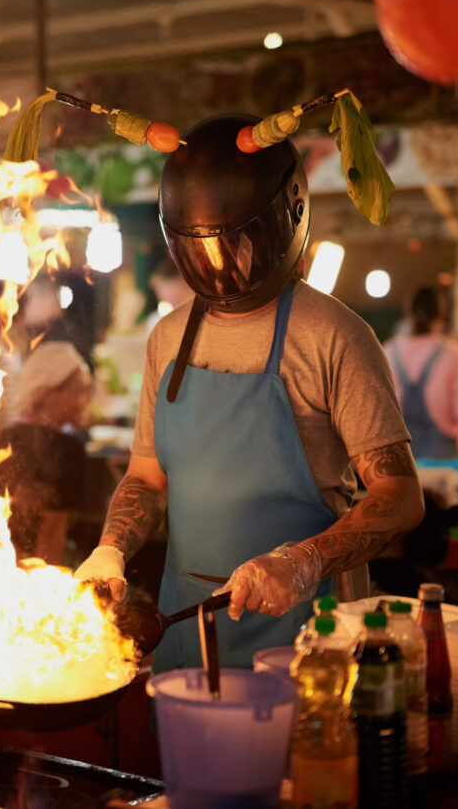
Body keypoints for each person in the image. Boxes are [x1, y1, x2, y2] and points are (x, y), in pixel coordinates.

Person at [74, 113, 424, 672]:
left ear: (283, 221)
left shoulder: (334, 335)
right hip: (186, 626)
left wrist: (302, 563)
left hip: (309, 633)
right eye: (200, 249)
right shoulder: (168, 337)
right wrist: (111, 548)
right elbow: (145, 476)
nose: (220, 267)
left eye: (236, 244)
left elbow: (401, 497)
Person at [0, 340, 92, 564]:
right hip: (32, 573)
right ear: (48, 392)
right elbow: (52, 533)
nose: (86, 401)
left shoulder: (0, 439)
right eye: (80, 390)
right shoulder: (67, 450)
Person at [384, 285, 458, 460]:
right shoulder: (454, 352)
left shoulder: (388, 350)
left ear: (408, 313)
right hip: (444, 457)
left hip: (399, 458)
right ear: (441, 315)